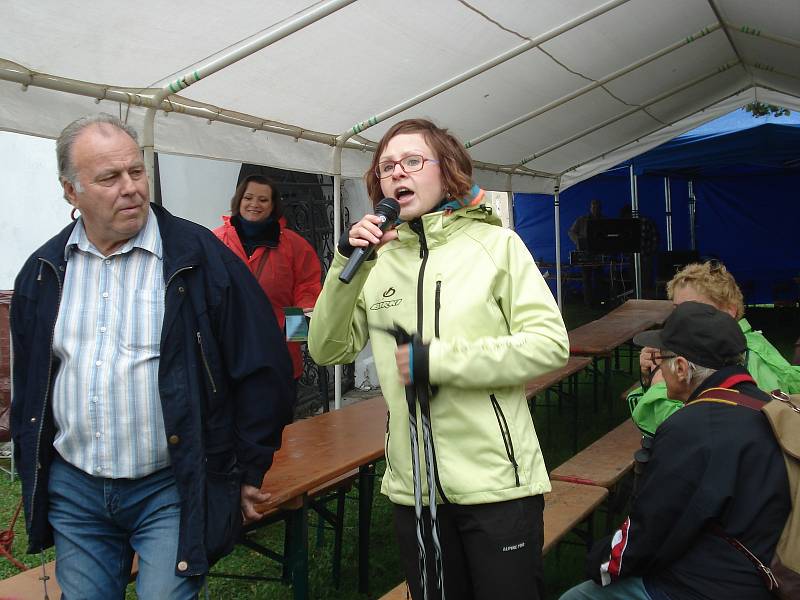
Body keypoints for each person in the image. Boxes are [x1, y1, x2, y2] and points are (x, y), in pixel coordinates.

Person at [10, 114, 293, 599]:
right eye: (109, 178)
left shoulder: (200, 258)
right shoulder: (41, 272)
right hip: (76, 491)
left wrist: (247, 470)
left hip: (172, 488)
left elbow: (263, 365)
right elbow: (31, 382)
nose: (131, 189)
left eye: (136, 172)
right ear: (70, 191)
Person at [308, 118, 569, 600]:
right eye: (386, 167)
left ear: (446, 172)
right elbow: (328, 348)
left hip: (497, 482)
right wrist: (343, 264)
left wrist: (441, 360)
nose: (396, 174)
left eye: (412, 161)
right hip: (415, 490)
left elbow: (549, 343)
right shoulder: (375, 260)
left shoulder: (497, 246)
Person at [561, 301, 791, 600]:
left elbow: (650, 530)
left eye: (663, 359)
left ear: (681, 368)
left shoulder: (693, 426)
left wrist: (598, 563)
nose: (659, 368)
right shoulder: (767, 406)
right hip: (770, 572)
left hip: (712, 586)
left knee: (577, 597)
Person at [629, 260, 800, 435]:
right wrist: (654, 373)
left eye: (693, 309)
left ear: (729, 311)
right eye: (676, 309)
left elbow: (696, 428)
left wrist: (660, 385)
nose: (680, 318)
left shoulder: (744, 358)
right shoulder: (709, 347)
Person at [213, 175, 322, 399]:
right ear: (238, 201)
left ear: (273, 206)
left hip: (277, 356)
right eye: (249, 197)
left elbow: (307, 289)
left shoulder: (294, 245)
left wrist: (291, 335)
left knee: (277, 423)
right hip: (229, 353)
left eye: (263, 200)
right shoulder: (215, 241)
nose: (254, 204)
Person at [568, 199, 604, 306]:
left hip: (599, 252)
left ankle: (599, 301)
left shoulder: (603, 220)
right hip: (585, 253)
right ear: (590, 208)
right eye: (593, 207)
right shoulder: (582, 220)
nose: (595, 209)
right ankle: (588, 302)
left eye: (597, 207)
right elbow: (571, 232)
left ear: (600, 208)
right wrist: (579, 241)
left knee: (599, 278)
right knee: (586, 278)